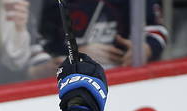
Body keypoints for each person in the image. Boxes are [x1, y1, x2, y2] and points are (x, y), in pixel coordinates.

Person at [39, 0, 168, 68]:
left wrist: (145, 48)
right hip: (70, 82)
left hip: (122, 76)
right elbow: (41, 47)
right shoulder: (51, 4)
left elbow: (157, 29)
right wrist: (74, 56)